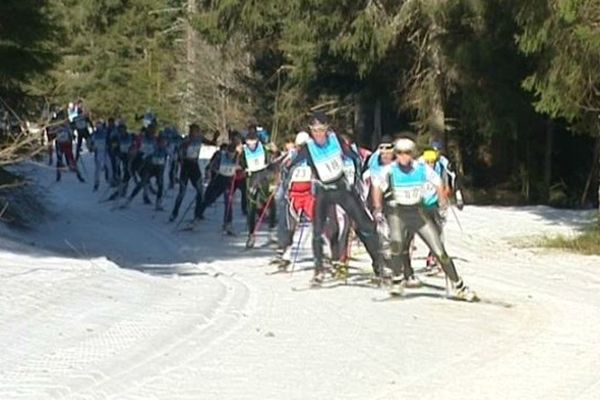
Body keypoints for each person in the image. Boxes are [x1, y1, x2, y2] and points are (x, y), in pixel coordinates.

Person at [371, 133, 477, 300]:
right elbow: (376, 185)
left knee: (439, 251)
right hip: (398, 213)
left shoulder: (420, 168)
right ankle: (397, 280)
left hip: (417, 212)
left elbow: (437, 181)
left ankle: (458, 285)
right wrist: (377, 207)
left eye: (406, 152)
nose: (403, 157)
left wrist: (442, 200)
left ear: (412, 153)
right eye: (399, 153)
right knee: (397, 244)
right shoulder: (390, 170)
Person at [288, 112, 384, 286]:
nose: (318, 134)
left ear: (327, 129)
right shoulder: (307, 148)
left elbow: (354, 157)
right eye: (314, 130)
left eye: (321, 130)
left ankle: (380, 266)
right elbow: (291, 163)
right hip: (323, 191)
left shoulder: (336, 140)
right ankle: (319, 271)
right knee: (317, 231)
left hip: (341, 188)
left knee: (365, 225)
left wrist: (357, 177)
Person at [240, 129, 276, 248]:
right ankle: (251, 234)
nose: (251, 146)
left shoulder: (263, 148)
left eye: (253, 143)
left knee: (270, 201)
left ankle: (272, 229)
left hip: (263, 176)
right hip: (251, 178)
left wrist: (272, 177)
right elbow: (241, 165)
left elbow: (271, 162)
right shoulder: (244, 151)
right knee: (251, 206)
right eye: (249, 144)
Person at [194, 142, 241, 234]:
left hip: (229, 181)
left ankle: (228, 223)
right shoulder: (221, 156)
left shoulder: (238, 158)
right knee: (209, 199)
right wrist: (215, 170)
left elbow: (241, 168)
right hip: (219, 180)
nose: (231, 155)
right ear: (227, 151)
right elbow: (212, 166)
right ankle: (197, 216)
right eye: (230, 152)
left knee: (228, 202)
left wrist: (238, 169)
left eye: (233, 153)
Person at [170, 124, 205, 222]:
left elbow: (212, 143)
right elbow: (179, 152)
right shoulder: (186, 141)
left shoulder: (200, 139)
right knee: (182, 192)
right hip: (186, 167)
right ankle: (174, 213)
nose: (194, 133)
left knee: (200, 191)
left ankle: (198, 214)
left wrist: (216, 137)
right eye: (193, 131)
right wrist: (180, 158)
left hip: (195, 167)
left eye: (196, 131)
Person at [90, 121, 111, 191]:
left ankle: (111, 180)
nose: (99, 127)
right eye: (97, 126)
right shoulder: (94, 134)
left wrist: (109, 146)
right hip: (98, 152)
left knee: (109, 166)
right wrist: (92, 147)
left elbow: (109, 141)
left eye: (100, 126)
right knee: (97, 169)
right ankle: (96, 183)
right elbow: (91, 143)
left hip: (105, 152)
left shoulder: (105, 133)